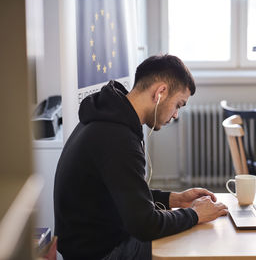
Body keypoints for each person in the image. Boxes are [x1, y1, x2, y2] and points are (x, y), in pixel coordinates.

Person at [54, 54, 228, 260]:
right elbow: (145, 225)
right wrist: (196, 214)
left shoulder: (105, 117)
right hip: (102, 253)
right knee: (195, 244)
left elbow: (125, 194)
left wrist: (175, 199)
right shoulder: (117, 138)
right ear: (161, 92)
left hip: (88, 246)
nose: (175, 115)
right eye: (179, 105)